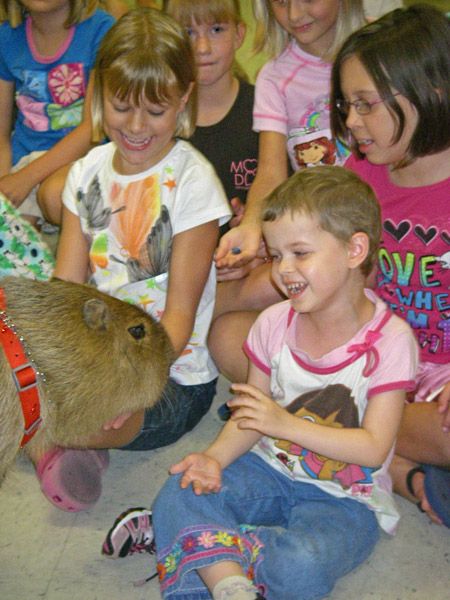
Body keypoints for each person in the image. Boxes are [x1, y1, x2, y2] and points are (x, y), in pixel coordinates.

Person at [102, 166, 418, 600]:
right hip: (266, 466)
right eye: (275, 255)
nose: (283, 270)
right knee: (183, 487)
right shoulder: (273, 321)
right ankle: (230, 582)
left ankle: (207, 549)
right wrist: (212, 458)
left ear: (354, 249)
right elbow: (250, 418)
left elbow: (373, 448)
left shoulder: (392, 340)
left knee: (302, 561)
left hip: (346, 498)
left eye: (300, 253)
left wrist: (282, 423)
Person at [31, 7, 231, 513]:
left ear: (184, 99)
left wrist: (124, 392)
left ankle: (61, 440)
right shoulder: (86, 173)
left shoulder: (194, 182)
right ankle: (66, 438)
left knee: (59, 414)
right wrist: (52, 366)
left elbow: (180, 318)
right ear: (98, 94)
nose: (137, 127)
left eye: (156, 111)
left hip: (169, 377)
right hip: (95, 359)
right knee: (22, 385)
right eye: (121, 107)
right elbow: (67, 292)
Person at [330, 5, 450, 527]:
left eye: (366, 105)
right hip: (374, 364)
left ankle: (365, 454)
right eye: (346, 104)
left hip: (440, 385)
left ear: (434, 91)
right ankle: (402, 469)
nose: (351, 122)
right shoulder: (357, 175)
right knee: (234, 338)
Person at [208, 0, 367, 378]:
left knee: (268, 283)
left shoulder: (379, 49)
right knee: (227, 339)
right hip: (313, 233)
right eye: (280, 2)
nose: (295, 15)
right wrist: (250, 227)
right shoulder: (275, 77)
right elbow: (271, 172)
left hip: (372, 238)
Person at [0, 0, 115, 226]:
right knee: (10, 234)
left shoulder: (101, 30)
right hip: (23, 160)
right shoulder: (7, 37)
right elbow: (1, 136)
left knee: (54, 194)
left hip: (84, 158)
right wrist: (5, 184)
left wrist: (24, 179)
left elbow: (92, 129)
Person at [164, 0, 258, 236]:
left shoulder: (266, 110)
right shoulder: (157, 116)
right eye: (188, 32)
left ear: (239, 35)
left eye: (216, 30)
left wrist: (259, 224)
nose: (202, 47)